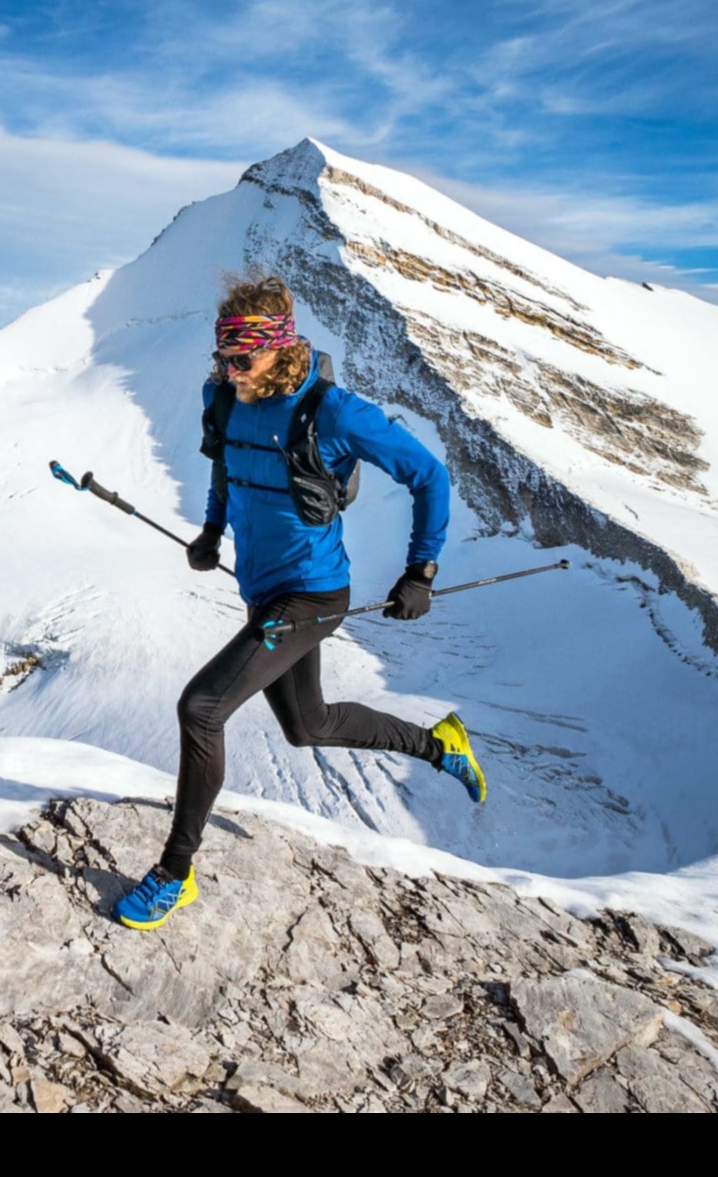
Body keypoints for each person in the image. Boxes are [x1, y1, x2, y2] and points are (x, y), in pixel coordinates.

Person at [116, 274, 487, 932]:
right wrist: (210, 530)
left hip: (312, 595)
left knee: (201, 708)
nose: (228, 369)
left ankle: (176, 872)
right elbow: (225, 469)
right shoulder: (224, 400)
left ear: (279, 348)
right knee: (307, 725)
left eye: (242, 358)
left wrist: (420, 572)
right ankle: (439, 745)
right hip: (263, 593)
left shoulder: (334, 411)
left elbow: (429, 475)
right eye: (222, 356)